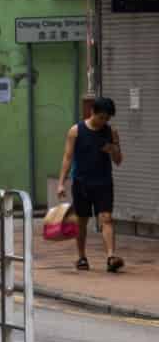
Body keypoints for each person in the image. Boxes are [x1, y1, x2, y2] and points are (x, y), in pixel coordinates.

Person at [58, 95, 125, 273]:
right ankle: (81, 257)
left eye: (107, 118)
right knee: (81, 221)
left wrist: (113, 147)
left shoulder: (110, 132)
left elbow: (118, 161)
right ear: (92, 112)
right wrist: (61, 183)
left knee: (107, 218)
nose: (104, 121)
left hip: (103, 182)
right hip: (81, 182)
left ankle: (111, 257)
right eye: (101, 117)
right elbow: (67, 157)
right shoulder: (76, 131)